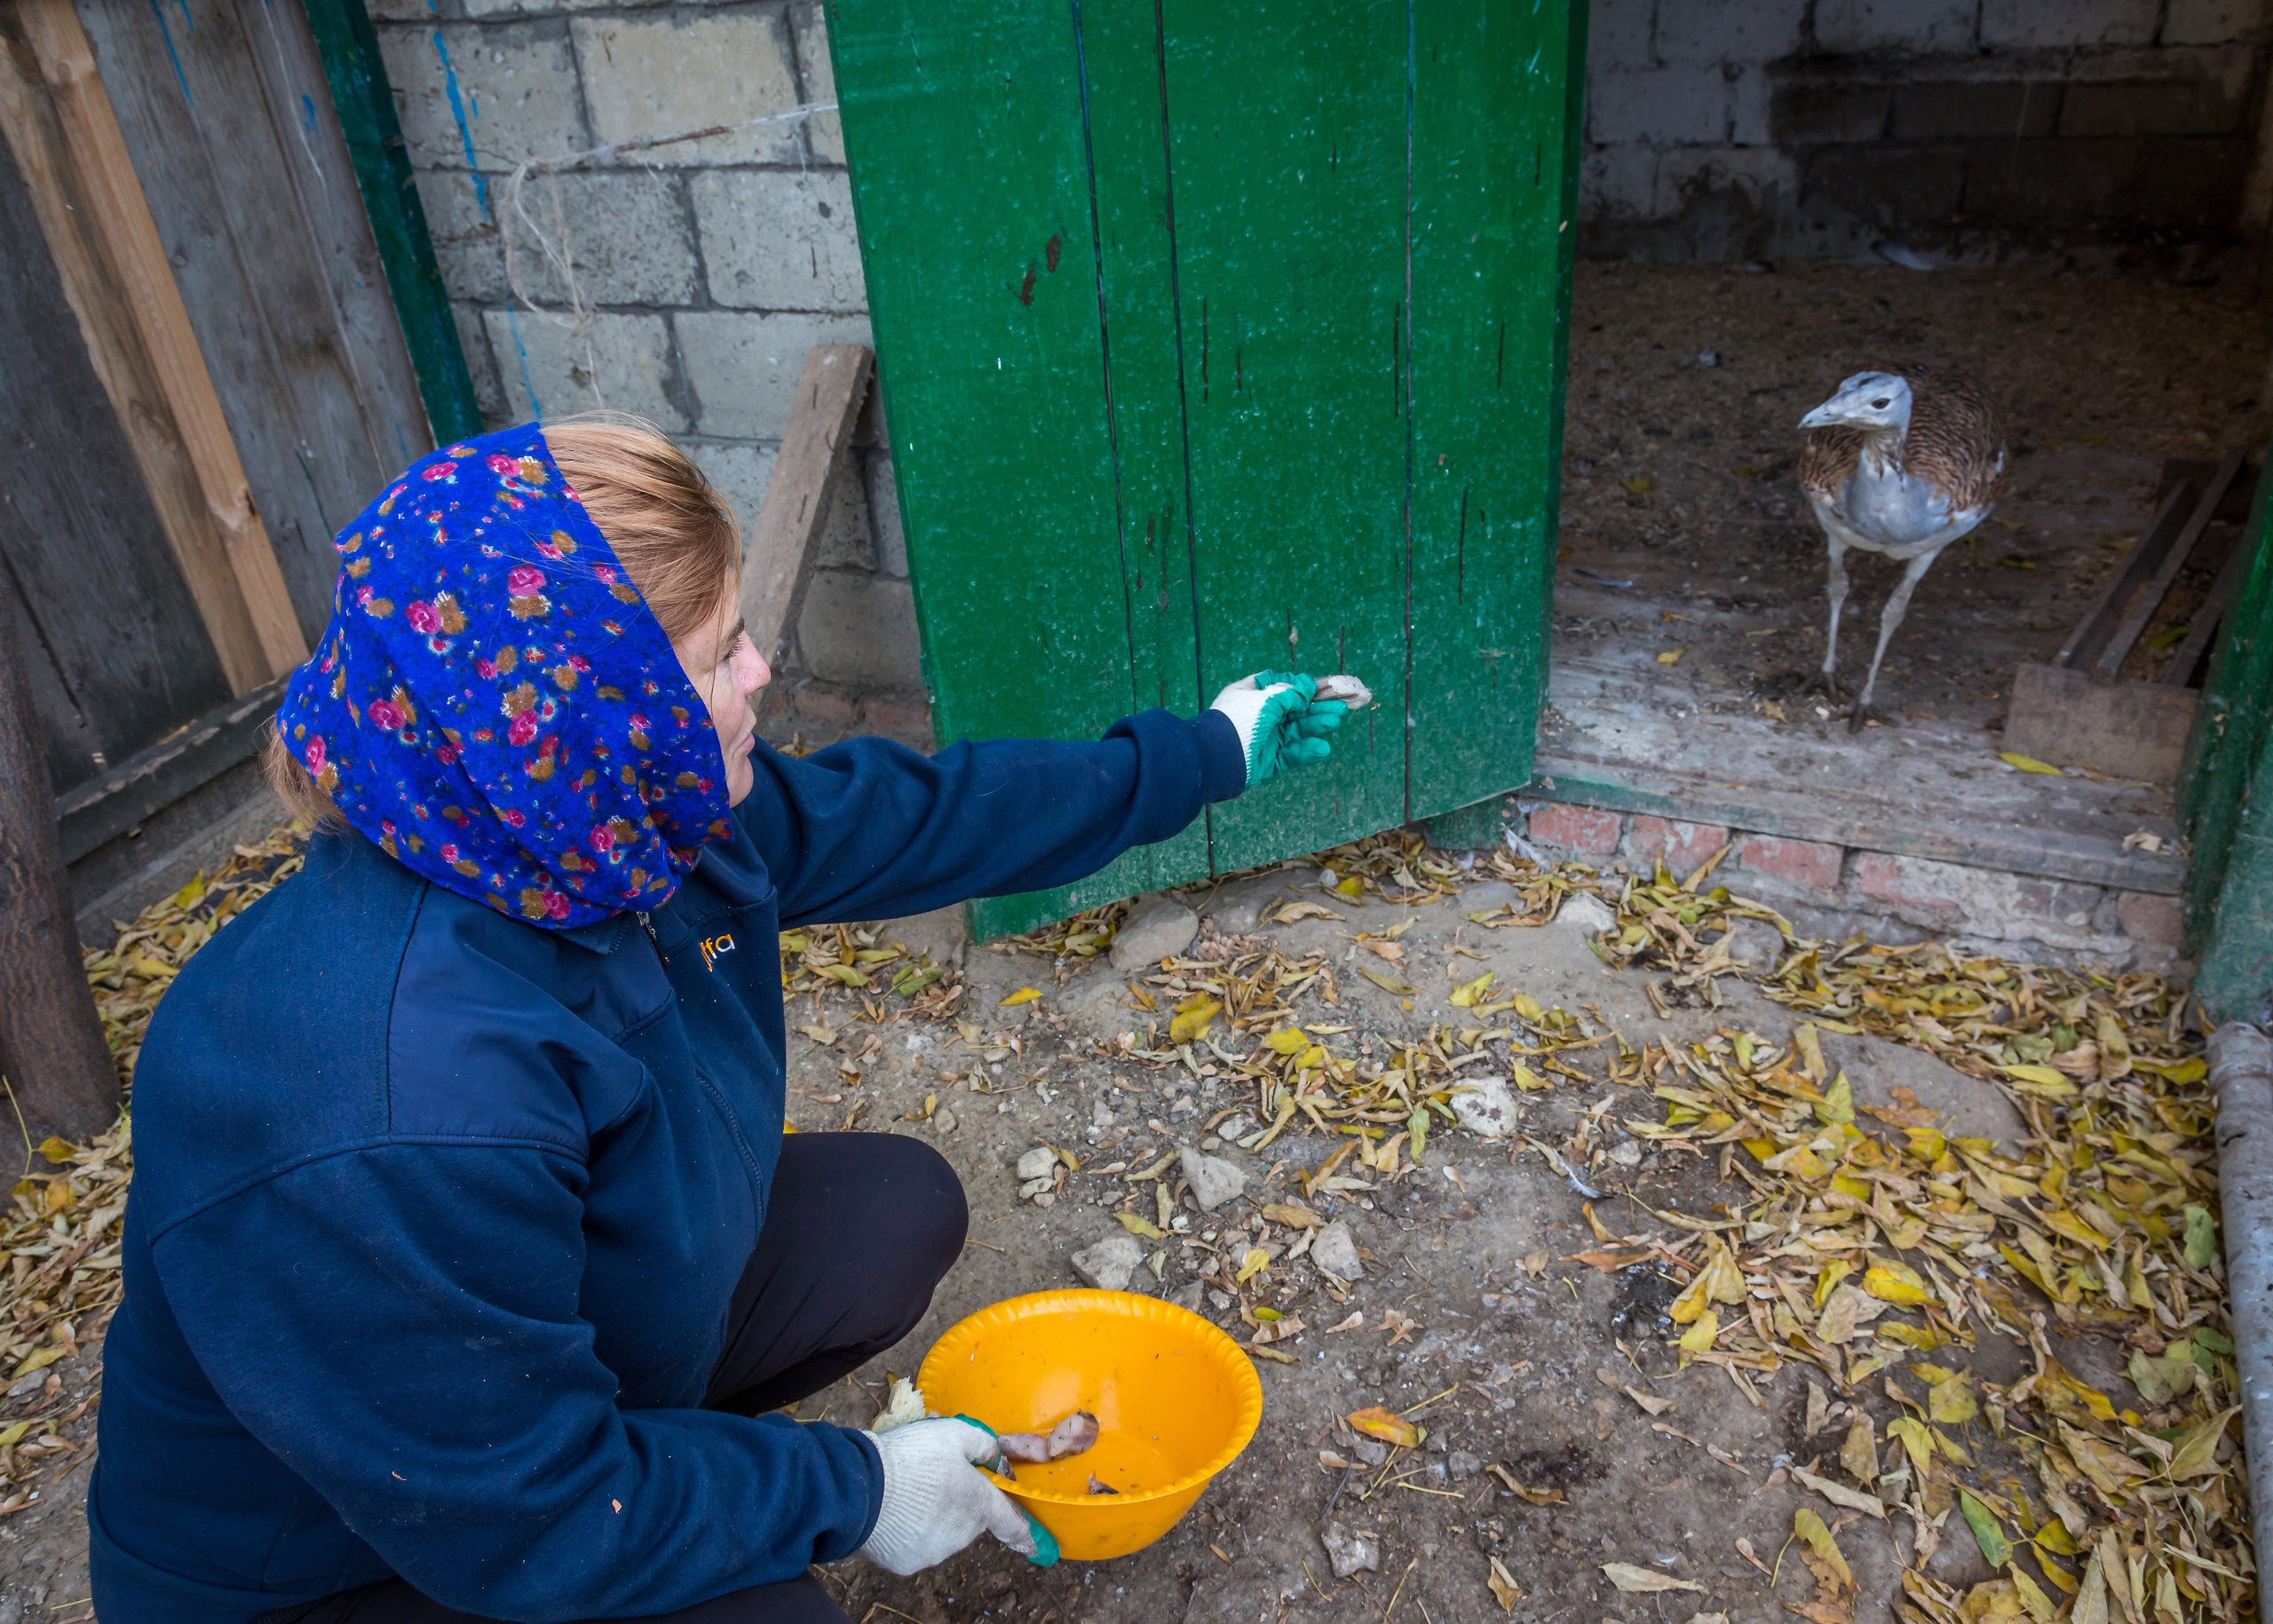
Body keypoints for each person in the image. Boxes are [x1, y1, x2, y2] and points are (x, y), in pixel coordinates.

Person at [91, 415, 1356, 1624]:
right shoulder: (386, 1102)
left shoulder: (585, 816)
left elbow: (911, 817)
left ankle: (676, 1462)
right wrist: (857, 1486)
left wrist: (1204, 755)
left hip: (508, 1400)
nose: (762, 671)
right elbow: (539, 1510)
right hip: (338, 1566)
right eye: (719, 655)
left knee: (890, 1215)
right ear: (594, 717)